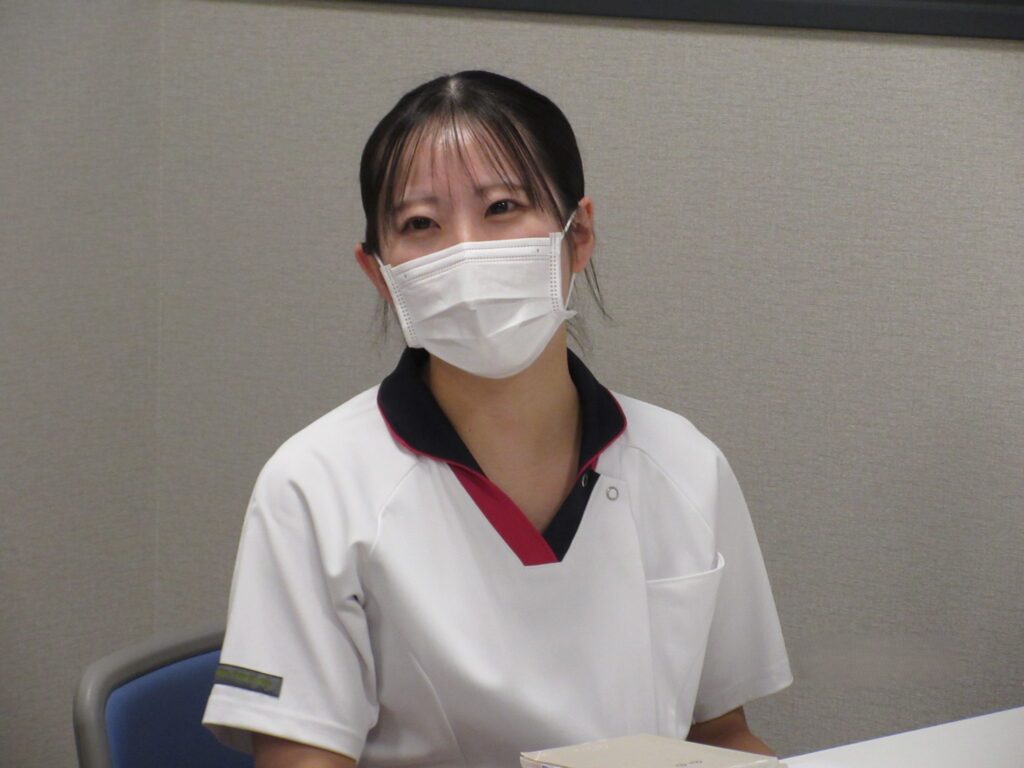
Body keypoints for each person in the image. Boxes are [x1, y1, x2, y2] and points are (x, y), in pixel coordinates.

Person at [202, 70, 792, 768]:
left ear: (579, 236)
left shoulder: (685, 465)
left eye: (502, 208)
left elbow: (722, 737)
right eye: (420, 224)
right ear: (379, 274)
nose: (467, 251)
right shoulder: (312, 487)